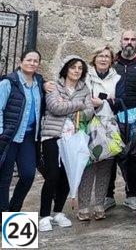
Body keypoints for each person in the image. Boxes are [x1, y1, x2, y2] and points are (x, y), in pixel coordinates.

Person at [40, 55, 99, 232]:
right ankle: (44, 215)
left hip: (73, 137)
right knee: (52, 175)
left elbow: (89, 112)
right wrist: (79, 105)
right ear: (66, 68)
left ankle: (58, 212)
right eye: (73, 67)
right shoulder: (54, 86)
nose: (76, 71)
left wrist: (69, 105)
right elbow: (54, 107)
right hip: (52, 135)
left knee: (67, 175)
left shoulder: (84, 88)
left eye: (80, 68)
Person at [108, 29, 136, 211]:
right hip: (112, 116)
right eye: (126, 39)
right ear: (120, 41)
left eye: (133, 39)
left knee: (132, 157)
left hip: (135, 117)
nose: (129, 42)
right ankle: (108, 196)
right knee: (110, 156)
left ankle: (131, 194)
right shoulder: (112, 63)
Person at [0, 49, 46, 213]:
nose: (32, 63)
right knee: (4, 178)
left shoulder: (39, 83)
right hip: (9, 136)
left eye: (35, 61)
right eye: (29, 60)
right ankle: (3, 213)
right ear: (21, 62)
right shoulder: (8, 83)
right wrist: (1, 132)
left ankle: (13, 211)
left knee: (28, 175)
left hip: (28, 137)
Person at [78, 46, 120, 221]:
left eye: (107, 56)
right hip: (88, 124)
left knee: (105, 167)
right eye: (100, 56)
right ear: (94, 59)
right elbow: (79, 97)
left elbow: (120, 100)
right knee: (88, 167)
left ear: (111, 60)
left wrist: (104, 103)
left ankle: (99, 205)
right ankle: (83, 206)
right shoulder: (85, 77)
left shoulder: (117, 78)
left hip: (109, 125)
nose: (103, 59)